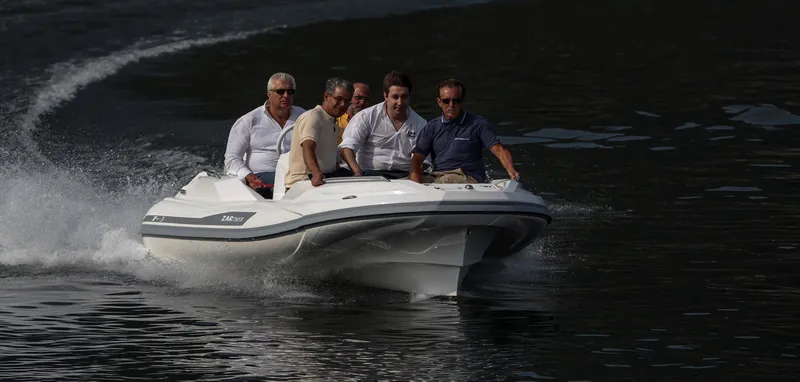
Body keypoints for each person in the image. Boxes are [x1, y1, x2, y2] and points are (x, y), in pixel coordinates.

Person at [409, 78, 520, 184]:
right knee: (406, 183)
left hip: (467, 177)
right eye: (446, 101)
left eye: (456, 101)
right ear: (439, 102)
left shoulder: (478, 124)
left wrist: (511, 170)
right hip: (438, 176)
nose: (451, 105)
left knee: (446, 180)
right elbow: (417, 158)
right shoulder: (431, 127)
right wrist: (415, 183)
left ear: (462, 101)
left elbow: (499, 150)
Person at [223, 72, 304, 197]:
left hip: (297, 173)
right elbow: (232, 158)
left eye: (290, 92)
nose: (286, 95)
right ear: (269, 94)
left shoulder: (304, 117)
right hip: (263, 175)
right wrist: (251, 178)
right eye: (280, 91)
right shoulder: (249, 121)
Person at [338, 71, 427, 179]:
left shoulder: (421, 123)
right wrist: (358, 174)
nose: (400, 102)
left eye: (404, 97)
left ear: (409, 96)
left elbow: (422, 159)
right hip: (370, 175)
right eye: (395, 97)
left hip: (406, 176)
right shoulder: (366, 117)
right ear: (385, 96)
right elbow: (346, 148)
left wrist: (414, 178)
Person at [284, 77, 355, 189]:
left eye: (347, 101)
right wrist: (316, 173)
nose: (342, 104)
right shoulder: (313, 117)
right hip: (303, 183)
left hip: (327, 179)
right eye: (339, 99)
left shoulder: (332, 121)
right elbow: (308, 148)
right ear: (326, 96)